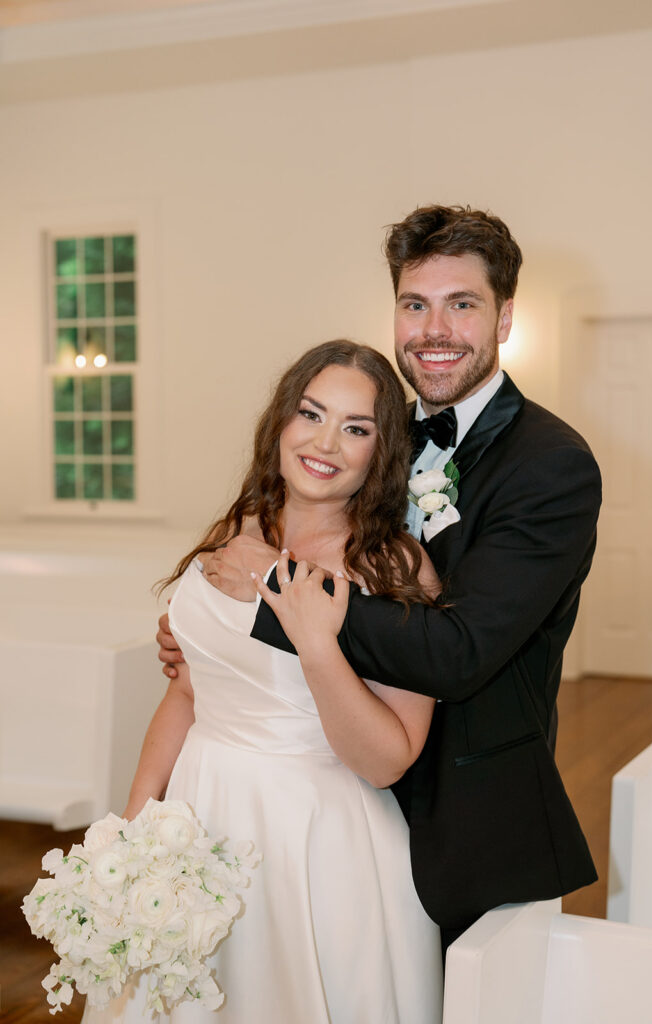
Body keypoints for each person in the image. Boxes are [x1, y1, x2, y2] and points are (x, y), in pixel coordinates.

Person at [158, 204, 602, 953]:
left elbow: (459, 652)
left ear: (503, 319)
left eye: (462, 305)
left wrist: (273, 595)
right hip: (317, 795)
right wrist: (214, 634)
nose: (434, 330)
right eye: (414, 305)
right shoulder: (364, 431)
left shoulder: (550, 464)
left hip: (458, 814)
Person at [84, 341, 443, 1023]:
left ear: (381, 452)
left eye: (356, 428)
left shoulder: (394, 569)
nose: (325, 442)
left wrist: (312, 637)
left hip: (315, 837)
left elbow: (387, 758)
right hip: (198, 809)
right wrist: (133, 827)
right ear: (281, 421)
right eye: (310, 414)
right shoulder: (240, 528)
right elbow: (189, 692)